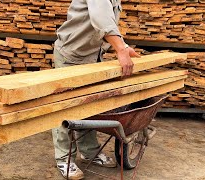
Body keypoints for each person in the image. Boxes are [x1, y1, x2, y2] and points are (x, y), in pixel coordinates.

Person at [52, 0, 140, 179]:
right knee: (64, 107)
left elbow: (108, 21)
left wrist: (123, 45)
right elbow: (100, 19)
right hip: (71, 54)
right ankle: (64, 158)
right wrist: (120, 50)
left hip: (91, 56)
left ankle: (89, 151)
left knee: (88, 106)